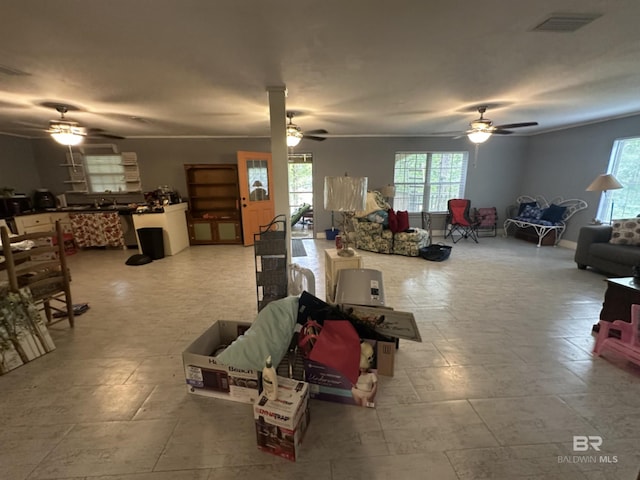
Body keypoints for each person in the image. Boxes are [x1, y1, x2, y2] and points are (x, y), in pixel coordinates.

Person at [351, 342, 378, 407]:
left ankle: (373, 405)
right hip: (357, 392)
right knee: (359, 406)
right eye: (361, 367)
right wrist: (354, 385)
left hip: (367, 394)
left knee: (366, 406)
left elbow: (375, 385)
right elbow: (353, 383)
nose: (362, 369)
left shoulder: (371, 375)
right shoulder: (357, 374)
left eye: (363, 367)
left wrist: (372, 394)